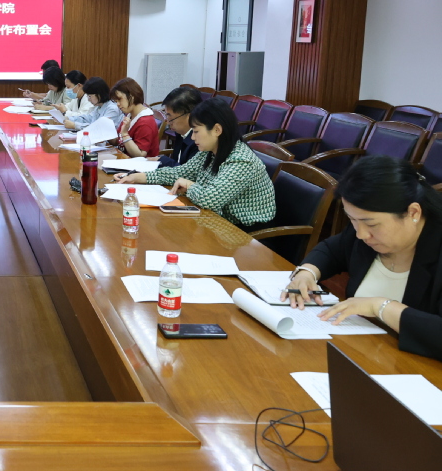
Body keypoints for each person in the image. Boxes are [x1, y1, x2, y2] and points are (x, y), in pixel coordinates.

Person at [282, 156, 442, 361]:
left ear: (413, 212)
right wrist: (307, 273)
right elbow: (332, 249)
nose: (361, 234)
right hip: (362, 352)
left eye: (372, 224)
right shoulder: (366, 231)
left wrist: (380, 307)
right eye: (352, 220)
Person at [117, 98, 275, 230]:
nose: (192, 137)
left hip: (244, 234)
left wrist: (189, 185)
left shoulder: (241, 160)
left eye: (196, 131)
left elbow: (209, 199)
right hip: (216, 220)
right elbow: (180, 173)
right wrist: (138, 177)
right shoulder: (211, 150)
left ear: (217, 130)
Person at [150, 87, 202, 167]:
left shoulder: (199, 141)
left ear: (190, 116)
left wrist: (164, 160)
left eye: (170, 117)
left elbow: (186, 172)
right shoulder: (180, 133)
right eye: (166, 116)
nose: (167, 122)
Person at [110, 77, 159, 158]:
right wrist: (105, 132)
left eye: (119, 100)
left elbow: (140, 155)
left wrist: (125, 134)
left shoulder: (145, 121)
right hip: (125, 160)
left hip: (141, 164)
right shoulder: (130, 114)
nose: (117, 104)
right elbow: (118, 141)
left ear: (132, 96)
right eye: (116, 101)